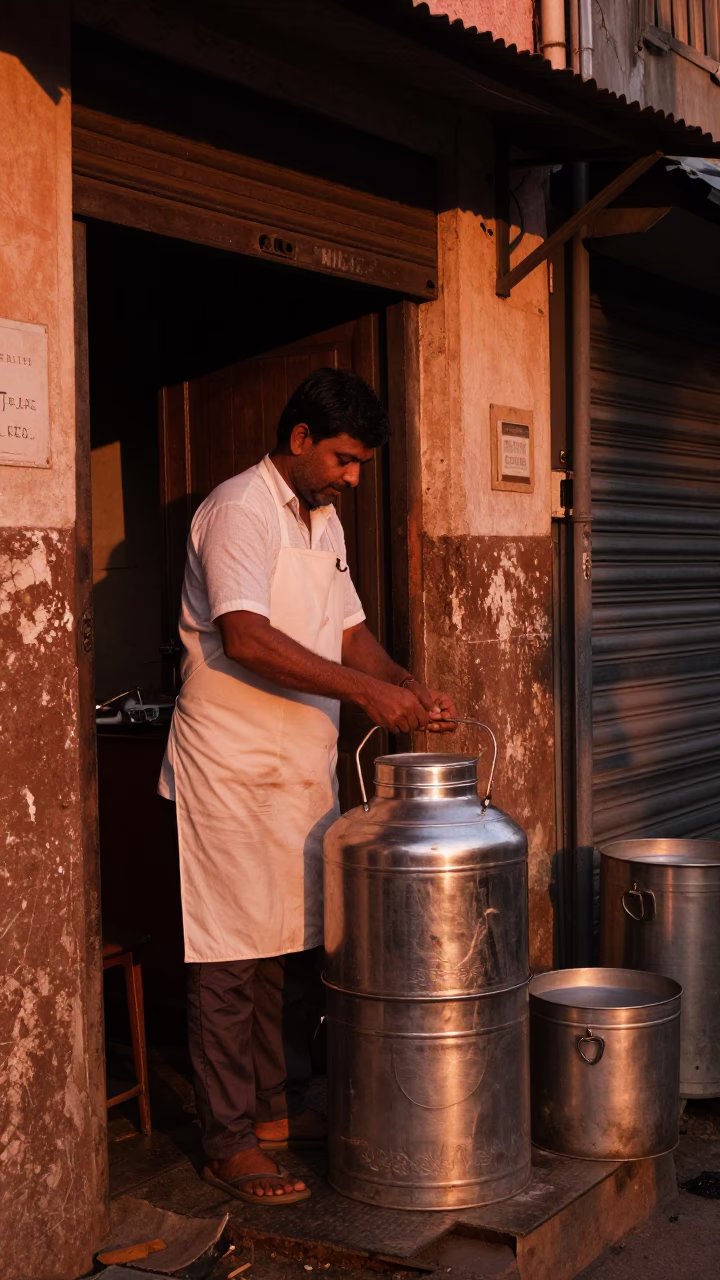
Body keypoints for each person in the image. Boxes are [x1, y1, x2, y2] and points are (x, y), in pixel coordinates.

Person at [159, 367, 458, 1206]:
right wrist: (366, 696)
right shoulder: (235, 512)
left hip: (298, 767)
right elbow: (245, 637)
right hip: (229, 767)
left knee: (285, 946)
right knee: (227, 956)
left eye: (360, 463)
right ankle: (227, 1141)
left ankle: (273, 1110)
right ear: (299, 441)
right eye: (345, 459)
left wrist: (405, 682)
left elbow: (349, 628)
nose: (353, 478)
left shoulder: (322, 521)